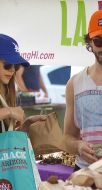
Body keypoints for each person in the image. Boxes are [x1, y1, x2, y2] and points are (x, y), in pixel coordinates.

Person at [62, 10, 102, 171]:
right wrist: (78, 146)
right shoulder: (75, 83)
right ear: (90, 43)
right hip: (85, 173)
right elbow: (67, 138)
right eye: (98, 41)